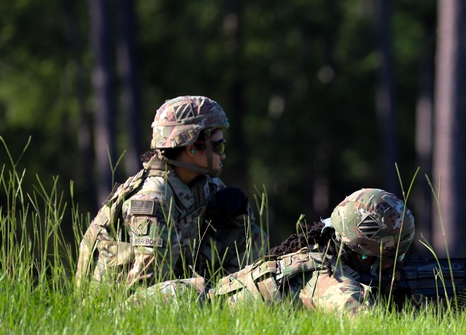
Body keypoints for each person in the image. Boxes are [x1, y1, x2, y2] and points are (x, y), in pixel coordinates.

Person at [76, 95, 268, 293]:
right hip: (122, 302)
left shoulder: (204, 184)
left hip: (171, 283)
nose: (223, 154)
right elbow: (145, 287)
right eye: (218, 146)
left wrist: (239, 213)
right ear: (191, 148)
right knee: (191, 290)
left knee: (251, 236)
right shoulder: (152, 199)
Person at [208, 187, 415, 315]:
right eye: (394, 257)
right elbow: (369, 328)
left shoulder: (325, 252)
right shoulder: (331, 279)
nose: (396, 266)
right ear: (366, 255)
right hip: (189, 301)